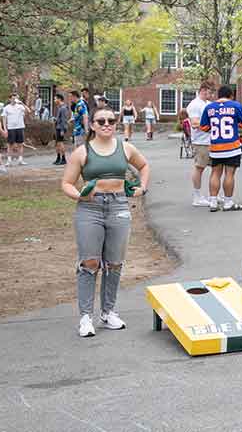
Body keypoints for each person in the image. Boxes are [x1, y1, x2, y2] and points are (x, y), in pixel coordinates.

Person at [61, 106, 150, 337]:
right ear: (92, 125)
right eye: (101, 121)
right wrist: (80, 195)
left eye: (111, 120)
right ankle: (85, 317)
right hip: (90, 209)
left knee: (115, 263)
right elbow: (67, 184)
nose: (107, 124)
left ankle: (108, 312)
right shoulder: (82, 152)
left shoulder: (126, 148)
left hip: (119, 205)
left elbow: (144, 166)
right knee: (90, 263)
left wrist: (142, 187)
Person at [199, 85, 242, 212]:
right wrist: (235, 123)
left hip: (216, 147)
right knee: (229, 174)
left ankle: (213, 202)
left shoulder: (209, 107)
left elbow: (204, 127)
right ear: (231, 96)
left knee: (215, 173)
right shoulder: (236, 106)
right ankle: (228, 202)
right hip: (232, 146)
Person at [186, 82, 214, 207]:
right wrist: (212, 125)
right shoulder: (194, 105)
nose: (211, 94)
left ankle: (213, 195)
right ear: (203, 90)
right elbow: (195, 123)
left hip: (212, 141)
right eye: (209, 91)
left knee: (216, 168)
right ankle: (197, 197)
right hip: (200, 142)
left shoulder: (208, 104)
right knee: (200, 167)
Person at [3, 94, 30, 166]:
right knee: (10, 145)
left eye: (16, 98)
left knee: (20, 144)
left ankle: (20, 160)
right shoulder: (6, 108)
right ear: (10, 99)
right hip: (11, 128)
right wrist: (5, 129)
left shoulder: (20, 107)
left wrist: (22, 103)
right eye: (13, 98)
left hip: (20, 127)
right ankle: (9, 161)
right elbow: (4, 119)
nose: (14, 99)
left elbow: (28, 111)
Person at [53, 93, 71, 165]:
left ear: (59, 99)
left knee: (60, 143)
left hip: (61, 128)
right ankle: (58, 158)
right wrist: (55, 119)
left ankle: (63, 159)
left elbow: (64, 120)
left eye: (55, 99)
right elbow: (59, 118)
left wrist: (63, 130)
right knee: (57, 144)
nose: (54, 100)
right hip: (57, 127)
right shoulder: (60, 107)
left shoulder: (63, 108)